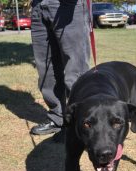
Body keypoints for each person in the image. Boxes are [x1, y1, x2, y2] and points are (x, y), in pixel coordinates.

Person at [30, 0, 90, 135]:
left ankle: (82, 121)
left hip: (66, 5)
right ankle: (57, 118)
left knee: (76, 69)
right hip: (38, 6)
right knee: (46, 69)